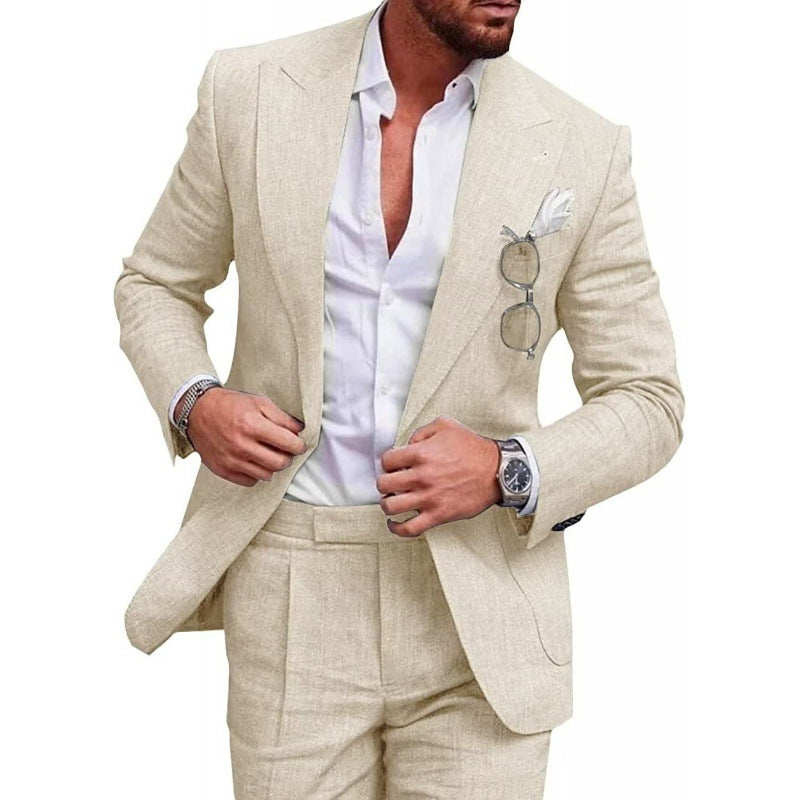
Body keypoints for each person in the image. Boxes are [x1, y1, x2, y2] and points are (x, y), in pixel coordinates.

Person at [114, 1, 685, 796]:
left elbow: (648, 396)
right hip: (294, 582)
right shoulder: (250, 90)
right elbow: (156, 282)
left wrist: (506, 468)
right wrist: (195, 401)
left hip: (483, 604)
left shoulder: (580, 144)